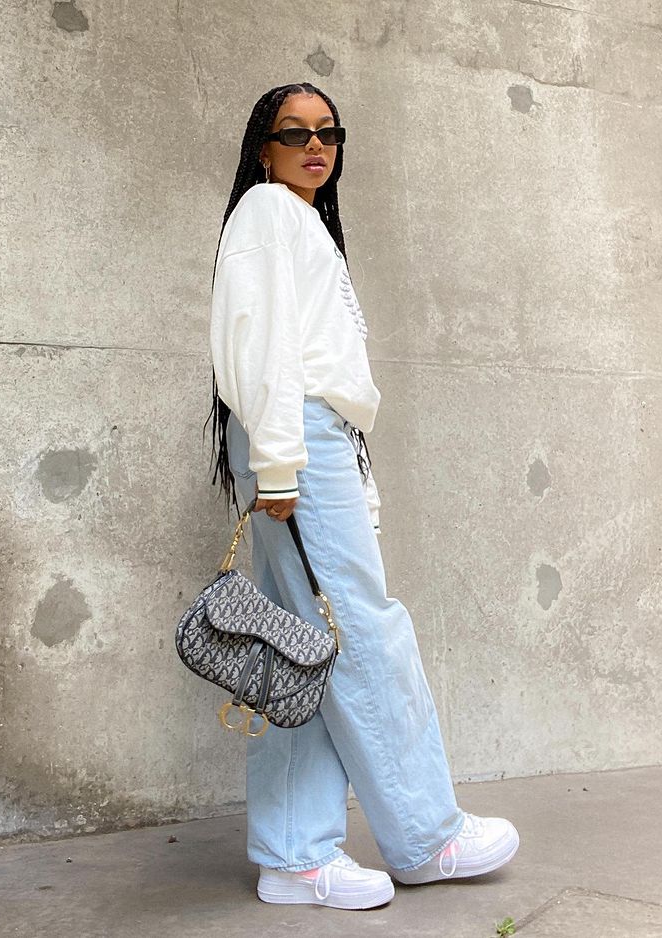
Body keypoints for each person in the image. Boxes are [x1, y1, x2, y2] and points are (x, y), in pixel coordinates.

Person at [207, 82, 519, 911]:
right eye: (294, 131)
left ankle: (294, 856)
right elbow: (259, 343)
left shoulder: (295, 220)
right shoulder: (270, 214)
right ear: (262, 146)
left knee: (302, 651)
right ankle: (426, 837)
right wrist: (280, 466)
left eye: (329, 132)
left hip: (306, 441)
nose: (316, 145)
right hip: (296, 442)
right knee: (364, 634)